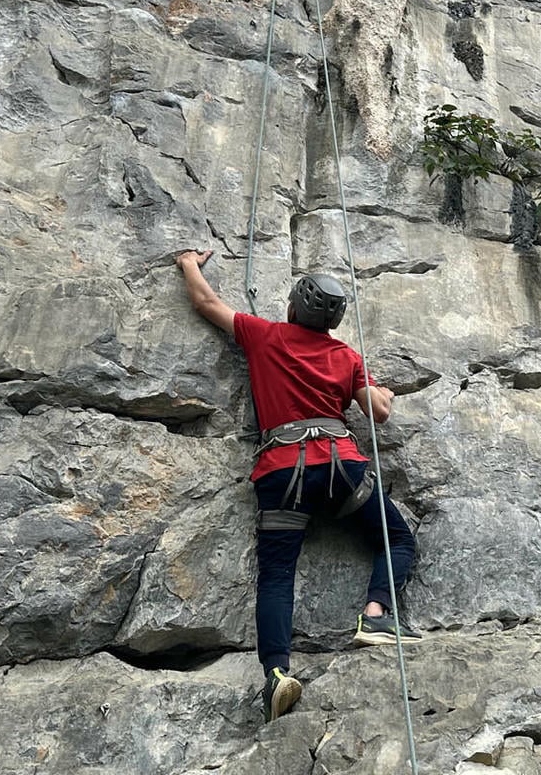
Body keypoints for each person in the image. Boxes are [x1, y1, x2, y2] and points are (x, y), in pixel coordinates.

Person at [176, 249, 420, 724]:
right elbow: (378, 411)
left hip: (282, 470)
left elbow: (207, 304)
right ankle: (375, 614)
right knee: (396, 538)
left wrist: (189, 264)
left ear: (292, 307)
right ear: (332, 322)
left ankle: (276, 675)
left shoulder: (265, 336)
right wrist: (381, 391)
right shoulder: (344, 356)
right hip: (339, 468)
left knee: (277, 575)